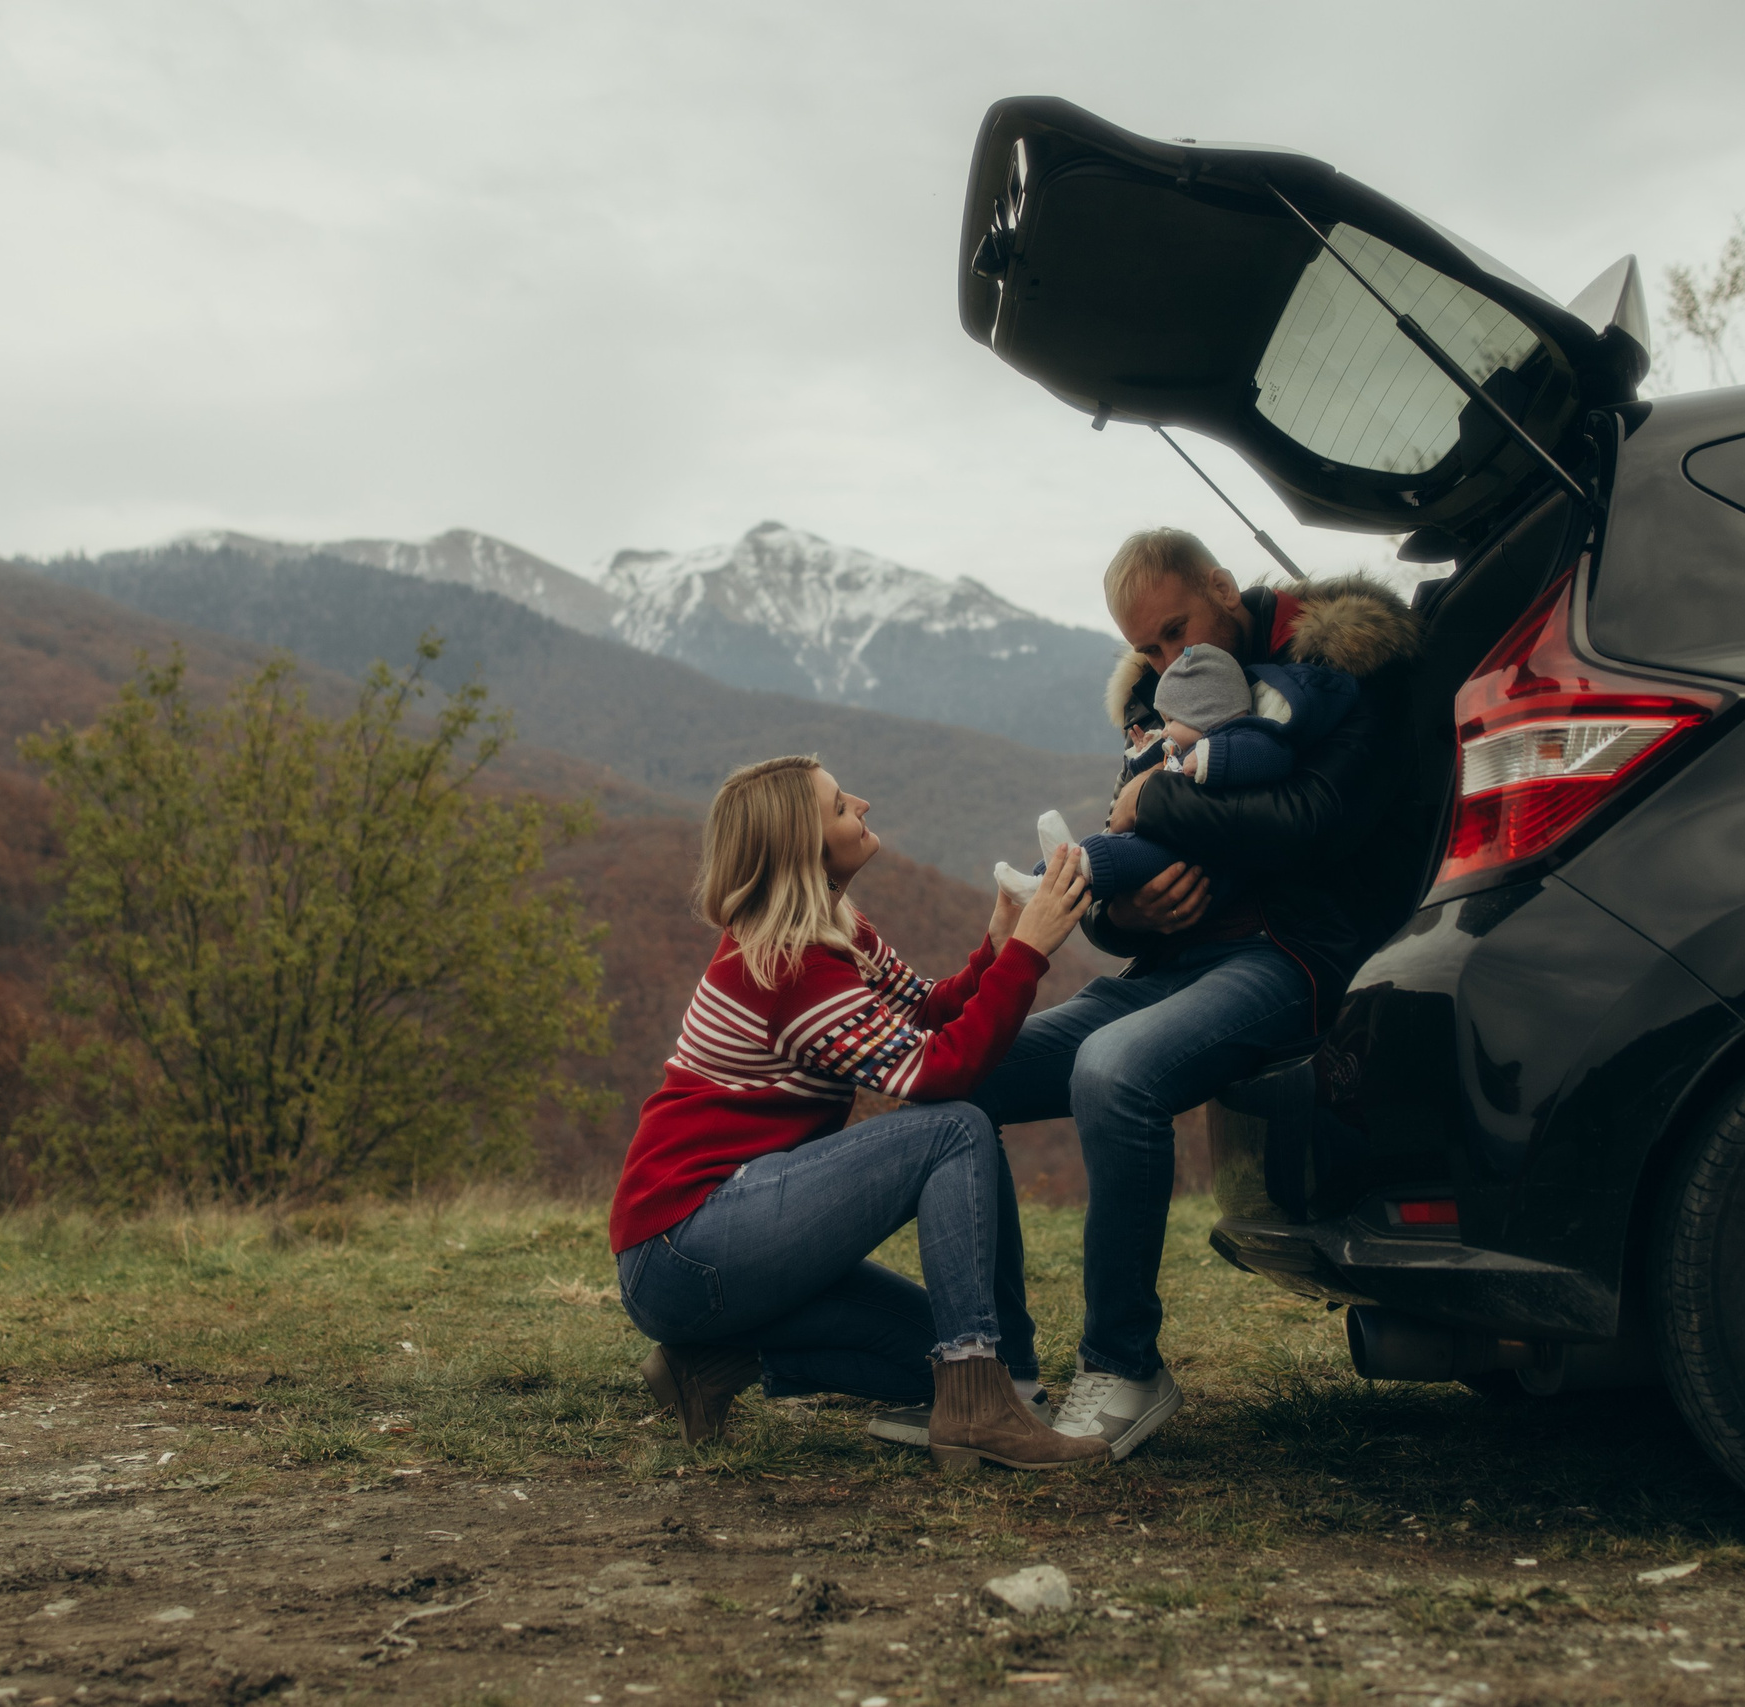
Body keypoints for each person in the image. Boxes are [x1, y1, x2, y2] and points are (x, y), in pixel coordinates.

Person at [972, 528, 1422, 1461]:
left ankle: (1125, 1365)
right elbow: (1114, 883)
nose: (1170, 660)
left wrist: (1159, 805)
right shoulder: (1162, 699)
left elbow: (1312, 821)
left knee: (1113, 1071)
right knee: (971, 1075)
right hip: (1170, 965)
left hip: (1288, 957)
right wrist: (1135, 911)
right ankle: (995, 1370)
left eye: (1178, 631)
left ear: (1222, 586)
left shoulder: (1337, 668)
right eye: (1150, 649)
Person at [608, 754, 1105, 1471]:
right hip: (685, 1243)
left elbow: (927, 1013)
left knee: (935, 1359)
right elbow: (941, 1071)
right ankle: (979, 1412)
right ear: (803, 849)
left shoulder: (835, 932)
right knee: (954, 1128)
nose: (863, 805)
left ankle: (709, 1362)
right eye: (841, 806)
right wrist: (1030, 952)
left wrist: (997, 943)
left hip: (709, 1239)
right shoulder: (787, 966)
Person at [994, 645, 1360, 905]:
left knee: (1117, 854)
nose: (1164, 729)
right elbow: (1152, 771)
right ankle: (1044, 878)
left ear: (1206, 714)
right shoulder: (1186, 743)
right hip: (1175, 837)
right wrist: (1142, 755)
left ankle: (1065, 874)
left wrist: (1209, 757)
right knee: (1111, 843)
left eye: (1172, 719)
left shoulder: (1242, 737)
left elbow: (1269, 757)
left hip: (1194, 856)